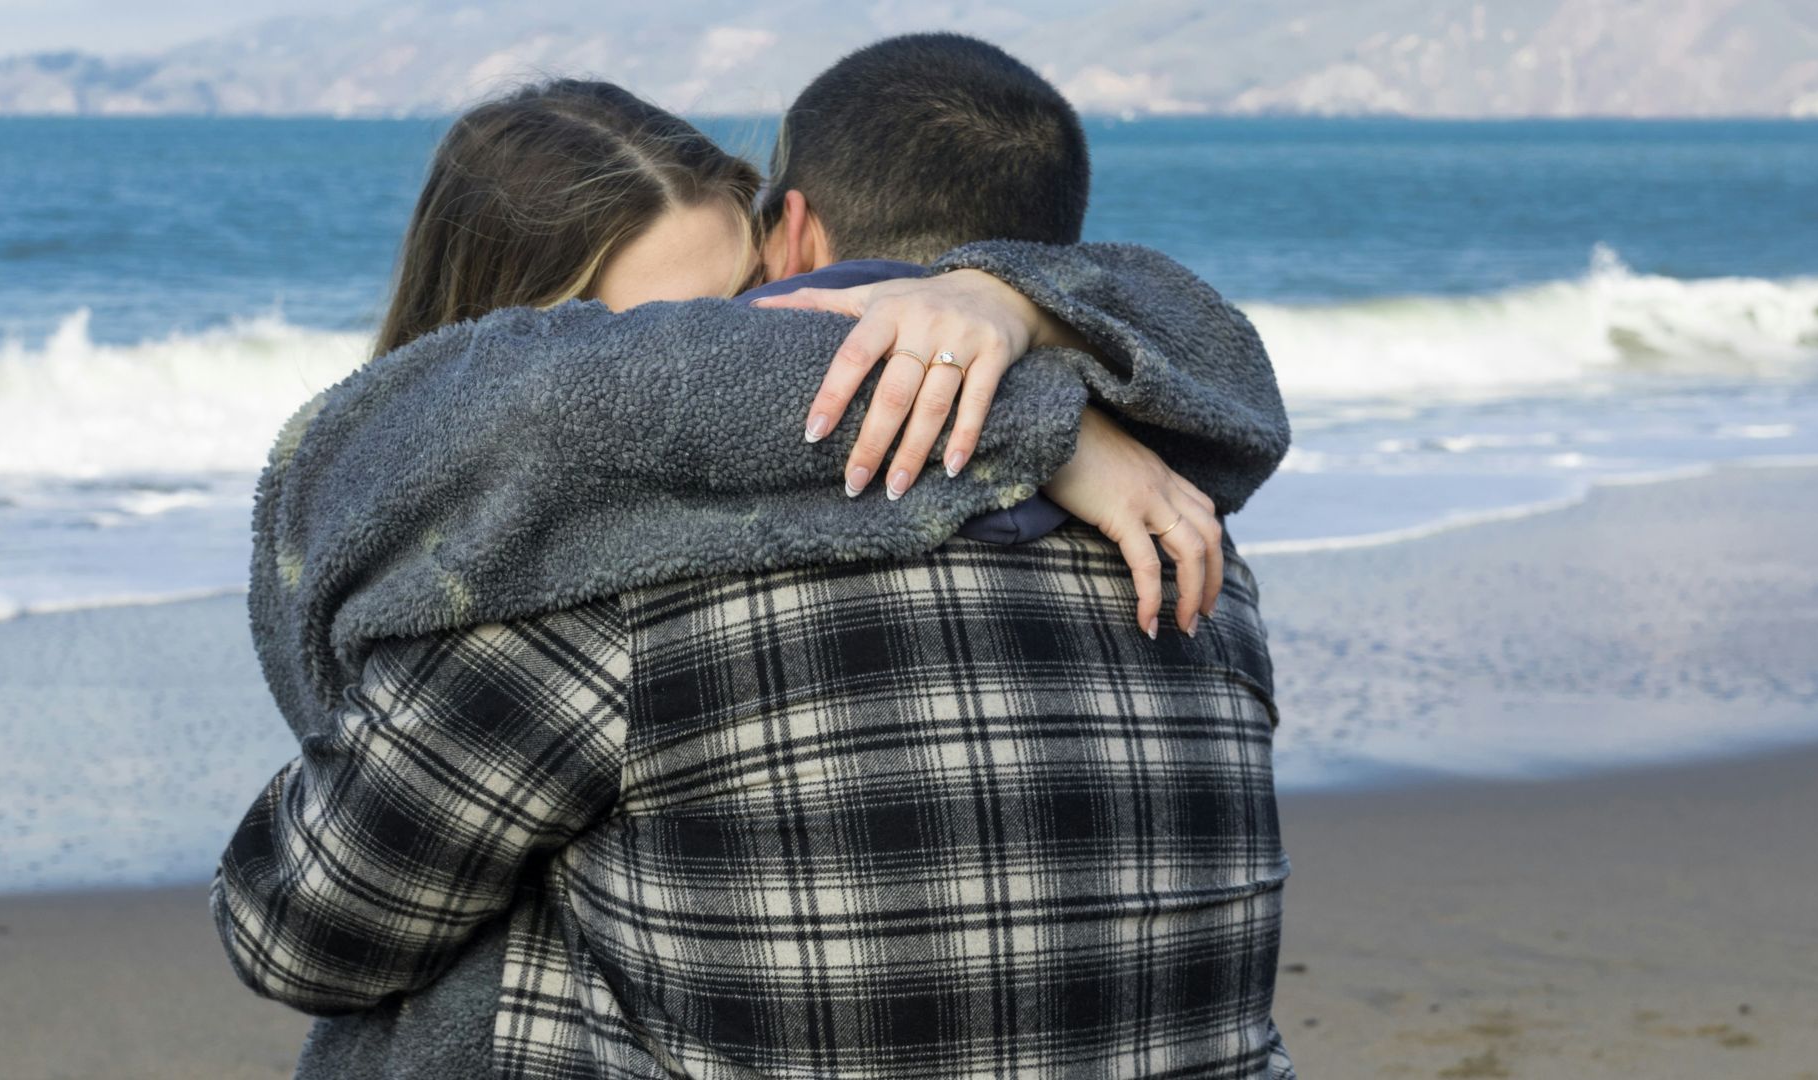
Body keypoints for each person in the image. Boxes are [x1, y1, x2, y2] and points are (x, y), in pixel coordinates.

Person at [213, 34, 1294, 1080]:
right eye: (651, 347)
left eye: (727, 321)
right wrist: (1041, 400)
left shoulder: (612, 587)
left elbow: (300, 939)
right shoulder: (1187, 536)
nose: (722, 365)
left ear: (794, 238)